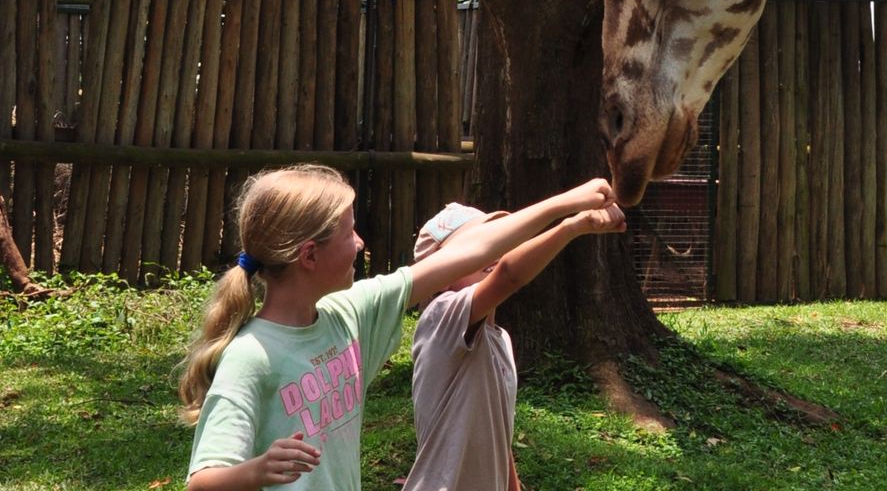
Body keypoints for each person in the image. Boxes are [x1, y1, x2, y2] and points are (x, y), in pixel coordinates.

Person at [176, 163, 616, 491]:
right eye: (350, 232)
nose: (361, 242)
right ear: (309, 256)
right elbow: (202, 481)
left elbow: (472, 251)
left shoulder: (351, 314)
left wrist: (569, 204)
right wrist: (257, 470)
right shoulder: (251, 356)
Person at [401, 195, 627, 491]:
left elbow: (498, 433)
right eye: (477, 244)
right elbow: (508, 274)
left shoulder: (501, 340)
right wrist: (571, 226)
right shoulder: (441, 316)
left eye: (496, 239)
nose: (492, 249)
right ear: (440, 274)